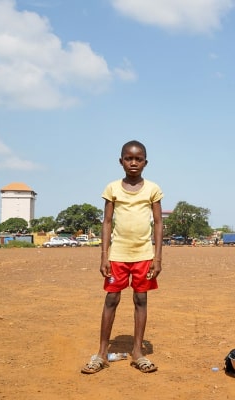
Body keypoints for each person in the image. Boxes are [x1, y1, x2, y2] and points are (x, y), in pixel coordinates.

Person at [81, 140, 163, 374]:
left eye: (138, 159)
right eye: (129, 158)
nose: (133, 163)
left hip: (144, 255)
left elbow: (158, 223)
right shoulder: (112, 188)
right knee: (111, 300)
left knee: (141, 300)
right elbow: (106, 222)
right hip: (117, 255)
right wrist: (104, 255)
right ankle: (101, 353)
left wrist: (158, 258)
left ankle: (138, 352)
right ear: (121, 161)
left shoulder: (153, 189)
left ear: (146, 162)